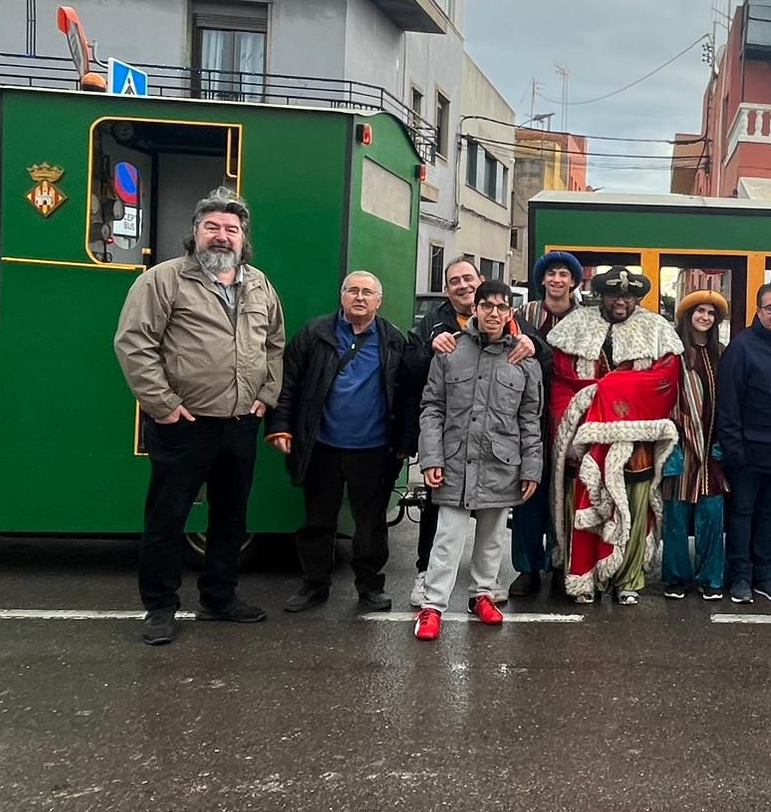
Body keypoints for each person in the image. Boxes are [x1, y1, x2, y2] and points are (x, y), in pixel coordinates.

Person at [113, 189, 285, 646]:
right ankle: (160, 607)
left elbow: (274, 345)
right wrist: (164, 406)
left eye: (231, 229)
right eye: (212, 227)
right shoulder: (163, 281)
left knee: (230, 518)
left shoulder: (260, 284)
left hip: (241, 421)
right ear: (195, 232)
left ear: (243, 237)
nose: (222, 236)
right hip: (183, 424)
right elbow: (134, 344)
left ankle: (219, 598)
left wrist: (265, 395)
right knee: (167, 518)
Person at [266, 272, 427, 614]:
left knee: (370, 524)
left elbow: (407, 397)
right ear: (341, 296)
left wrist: (403, 442)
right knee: (318, 521)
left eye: (367, 292)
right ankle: (314, 585)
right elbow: (288, 382)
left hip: (372, 449)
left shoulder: (393, 341)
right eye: (352, 290)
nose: (359, 297)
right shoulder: (315, 334)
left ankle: (370, 587)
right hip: (321, 444)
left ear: (378, 301)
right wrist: (280, 426)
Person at [413, 280, 544, 640]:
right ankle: (433, 606)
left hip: (501, 463)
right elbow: (432, 408)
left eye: (502, 308)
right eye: (487, 306)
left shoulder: (523, 360)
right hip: (455, 461)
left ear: (510, 313)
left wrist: (532, 466)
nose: (494, 314)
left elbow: (530, 418)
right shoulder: (449, 351)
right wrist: (430, 458)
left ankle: (482, 594)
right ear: (476, 308)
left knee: (491, 539)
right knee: (447, 537)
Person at [547, 266, 682, 604]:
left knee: (634, 507)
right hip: (586, 435)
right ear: (602, 296)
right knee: (586, 504)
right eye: (614, 294)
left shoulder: (656, 329)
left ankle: (628, 579)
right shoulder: (576, 326)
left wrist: (607, 390)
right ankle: (585, 578)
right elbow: (562, 381)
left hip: (635, 437)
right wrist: (574, 423)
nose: (621, 301)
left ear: (637, 298)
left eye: (628, 295)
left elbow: (663, 381)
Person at [717, 283, 771, 605]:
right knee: (742, 514)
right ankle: (740, 576)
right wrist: (734, 452)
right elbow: (728, 405)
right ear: (758, 310)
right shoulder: (741, 348)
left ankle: (766, 576)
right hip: (748, 455)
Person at [509, 249, 583, 598]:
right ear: (542, 280)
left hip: (569, 417)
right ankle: (527, 568)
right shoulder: (522, 315)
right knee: (526, 494)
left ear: (572, 282)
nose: (557, 280)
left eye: (563, 275)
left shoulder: (586, 319)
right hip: (526, 417)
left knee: (564, 494)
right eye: (551, 273)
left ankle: (560, 564)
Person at [661, 290, 729, 601]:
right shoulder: (671, 352)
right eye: (700, 311)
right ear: (688, 317)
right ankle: (676, 578)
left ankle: (710, 577)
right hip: (680, 445)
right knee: (675, 515)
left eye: (711, 313)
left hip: (712, 446)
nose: (705, 317)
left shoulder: (722, 354)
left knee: (712, 514)